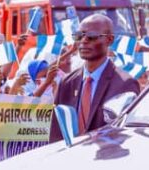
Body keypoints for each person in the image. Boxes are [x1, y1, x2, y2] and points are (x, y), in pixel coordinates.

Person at [49, 15, 141, 143]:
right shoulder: (67, 83)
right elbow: (55, 133)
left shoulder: (125, 85)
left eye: (91, 36)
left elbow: (126, 135)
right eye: (79, 36)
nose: (84, 41)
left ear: (109, 40)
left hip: (106, 158)